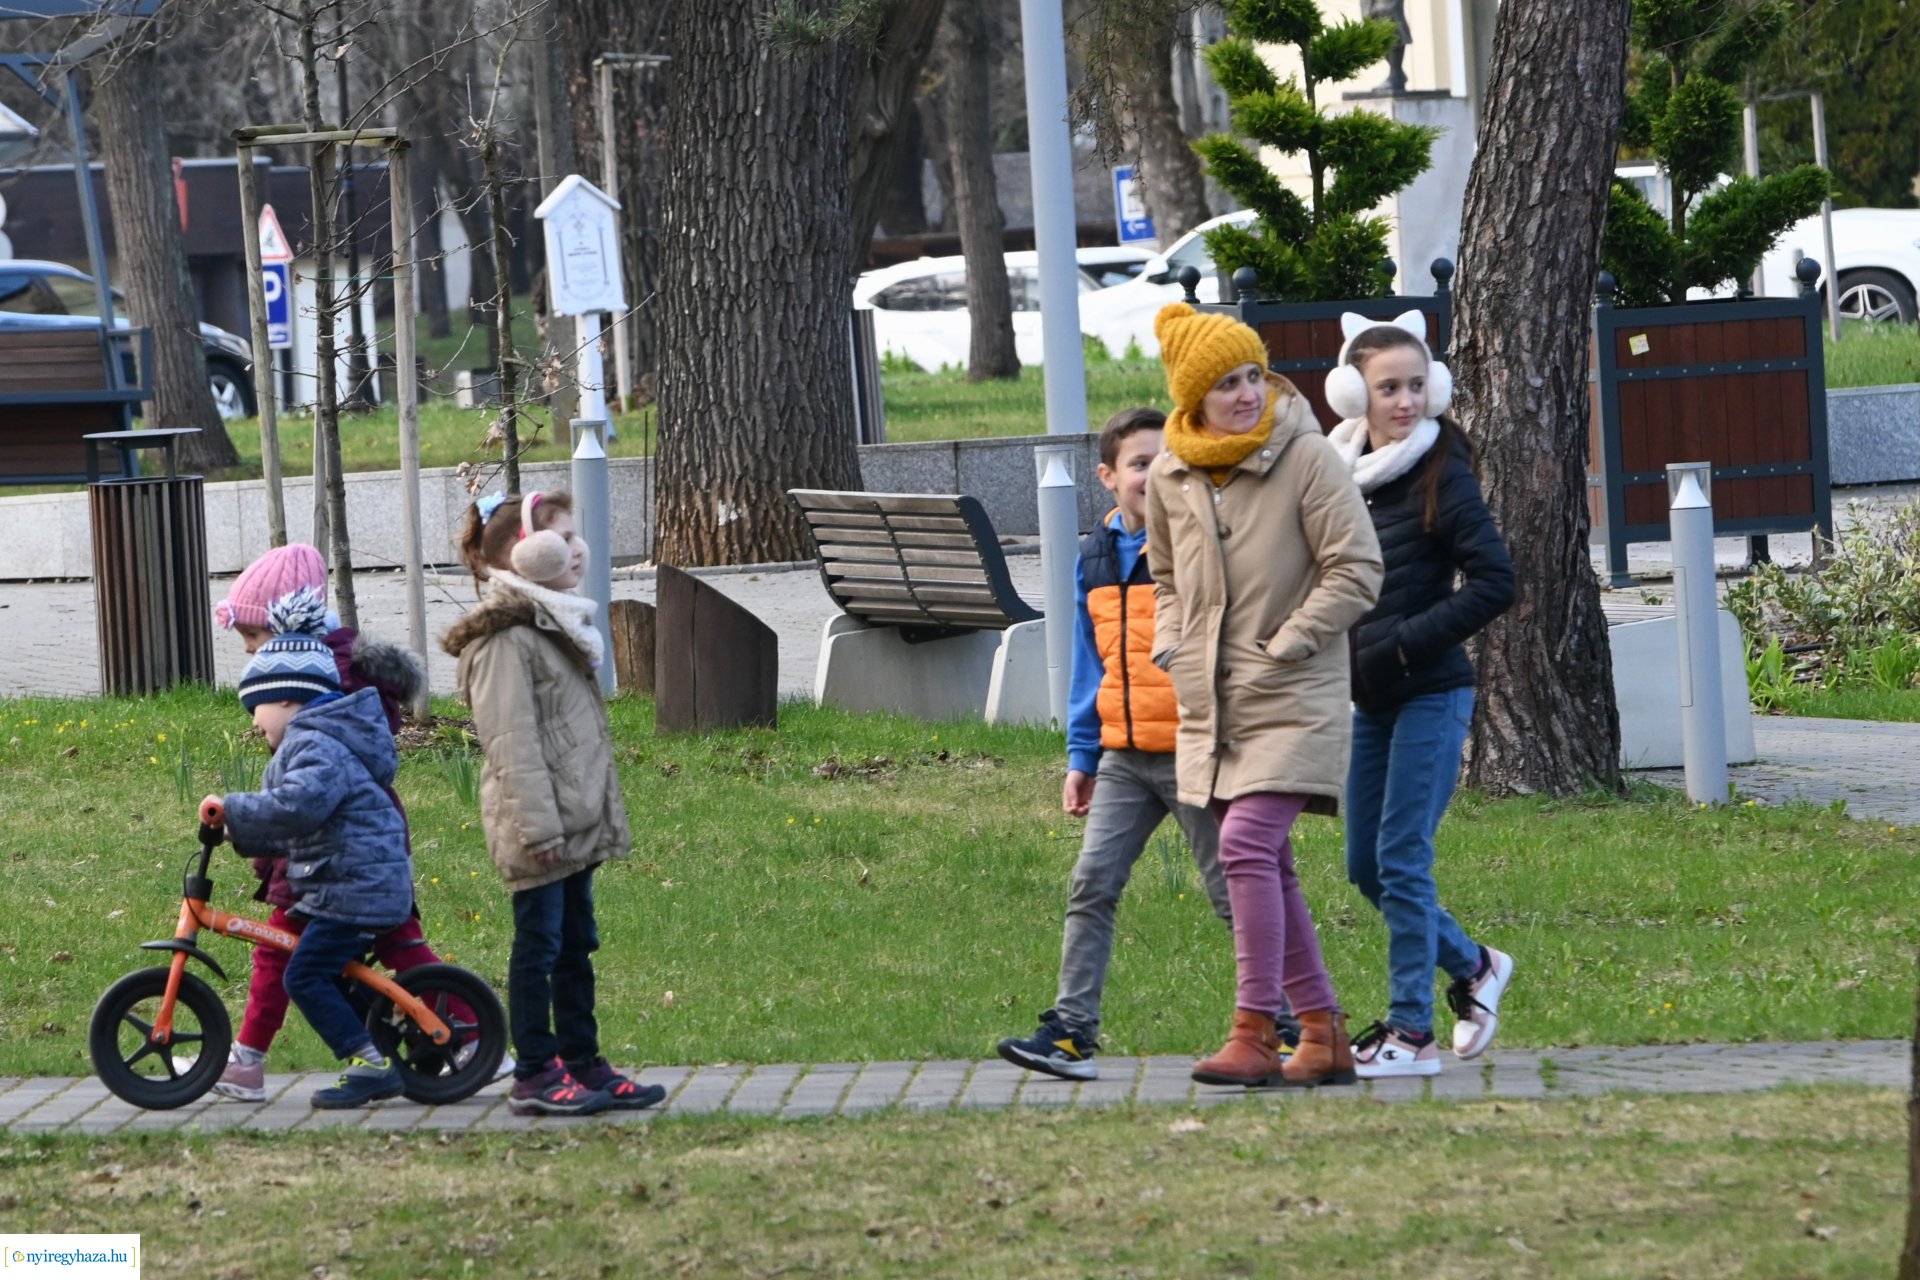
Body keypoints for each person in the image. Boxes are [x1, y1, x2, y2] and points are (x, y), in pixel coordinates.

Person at [998, 408, 1299, 1080]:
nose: (1157, 475)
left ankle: (1281, 1026)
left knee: (1234, 893)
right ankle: (1072, 1032)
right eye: (1141, 464)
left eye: (1171, 462)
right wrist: (1083, 757)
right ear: (1107, 476)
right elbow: (1090, 662)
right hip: (1124, 759)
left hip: (1197, 752)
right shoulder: (1095, 556)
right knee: (1091, 884)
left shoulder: (1199, 544)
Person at [1144, 302, 1384, 1088]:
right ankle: (1322, 1035)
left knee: (1245, 845)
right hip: (1211, 701)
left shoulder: (1305, 456)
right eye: (1226, 384)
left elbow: (1358, 569)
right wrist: (1172, 647)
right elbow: (1166, 580)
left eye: (1254, 375)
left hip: (1293, 691)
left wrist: (1290, 641)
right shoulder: (1170, 474)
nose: (1247, 394)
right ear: (1193, 398)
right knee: (1266, 861)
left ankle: (1253, 1030)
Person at [206, 544, 501, 1101]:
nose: (247, 648)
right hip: (334, 850)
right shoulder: (320, 677)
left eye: (253, 635)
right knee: (300, 947)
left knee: (308, 950)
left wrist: (245, 815)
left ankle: (464, 1039)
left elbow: (306, 796)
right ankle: (251, 1058)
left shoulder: (327, 688)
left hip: (342, 852)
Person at [1323, 313, 1517, 1077]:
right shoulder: (1339, 474)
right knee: (1364, 866)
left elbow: (1497, 581)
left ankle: (1410, 1032)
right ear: (1353, 396)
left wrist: (1406, 641)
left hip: (1432, 690)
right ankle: (1474, 966)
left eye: (1414, 386)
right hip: (1370, 697)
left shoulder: (1444, 471)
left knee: (1402, 858)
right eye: (1387, 388)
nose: (1404, 402)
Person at [443, 490, 662, 1117]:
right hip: (539, 827)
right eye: (562, 538)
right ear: (525, 554)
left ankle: (582, 1061)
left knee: (573, 944)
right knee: (537, 948)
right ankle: (536, 1073)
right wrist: (539, 827)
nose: (578, 549)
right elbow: (511, 744)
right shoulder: (504, 641)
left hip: (570, 822)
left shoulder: (550, 625)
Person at [215, 636, 417, 1109]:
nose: (254, 720)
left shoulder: (317, 744)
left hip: (356, 888)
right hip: (346, 882)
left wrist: (235, 810)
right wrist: (238, 831)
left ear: (286, 697)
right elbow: (295, 829)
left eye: (256, 706)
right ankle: (377, 1047)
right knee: (326, 970)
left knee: (303, 976)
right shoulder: (315, 739)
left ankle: (369, 1063)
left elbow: (296, 808)